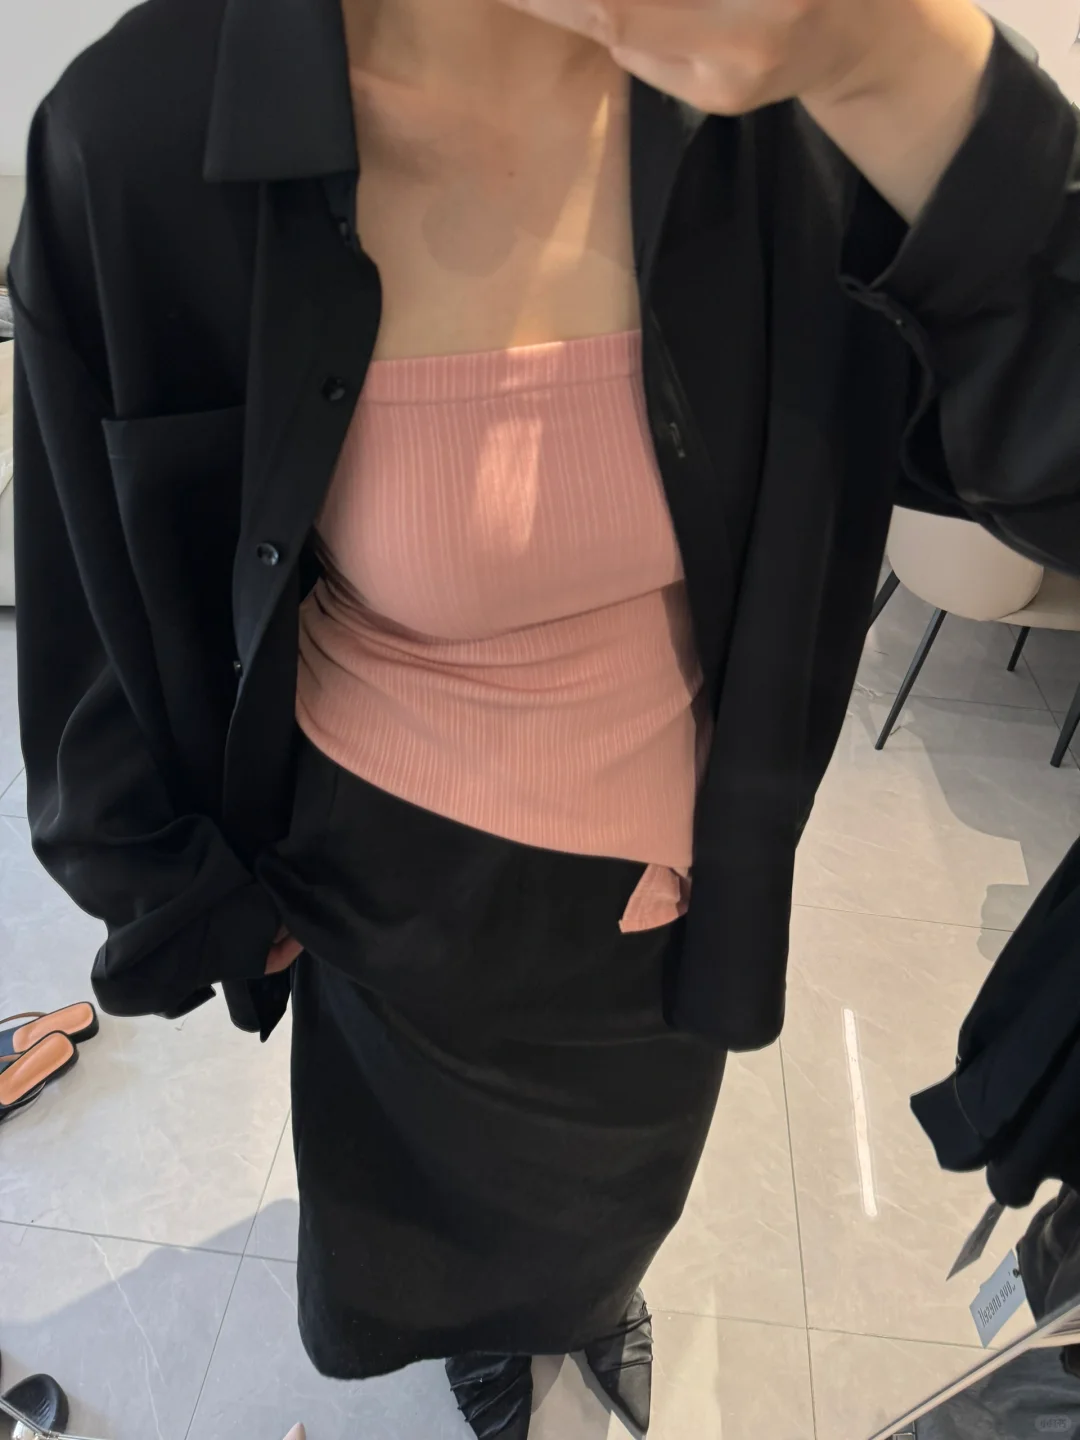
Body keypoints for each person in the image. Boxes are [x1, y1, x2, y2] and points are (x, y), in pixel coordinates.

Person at [9, 0, 1080, 1435]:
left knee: (615, 1198)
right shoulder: (143, 132)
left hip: (679, 869)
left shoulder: (801, 107)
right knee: (412, 1211)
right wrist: (182, 896)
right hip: (387, 882)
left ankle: (572, 1309)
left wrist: (886, 63)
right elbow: (95, 608)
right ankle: (490, 1337)